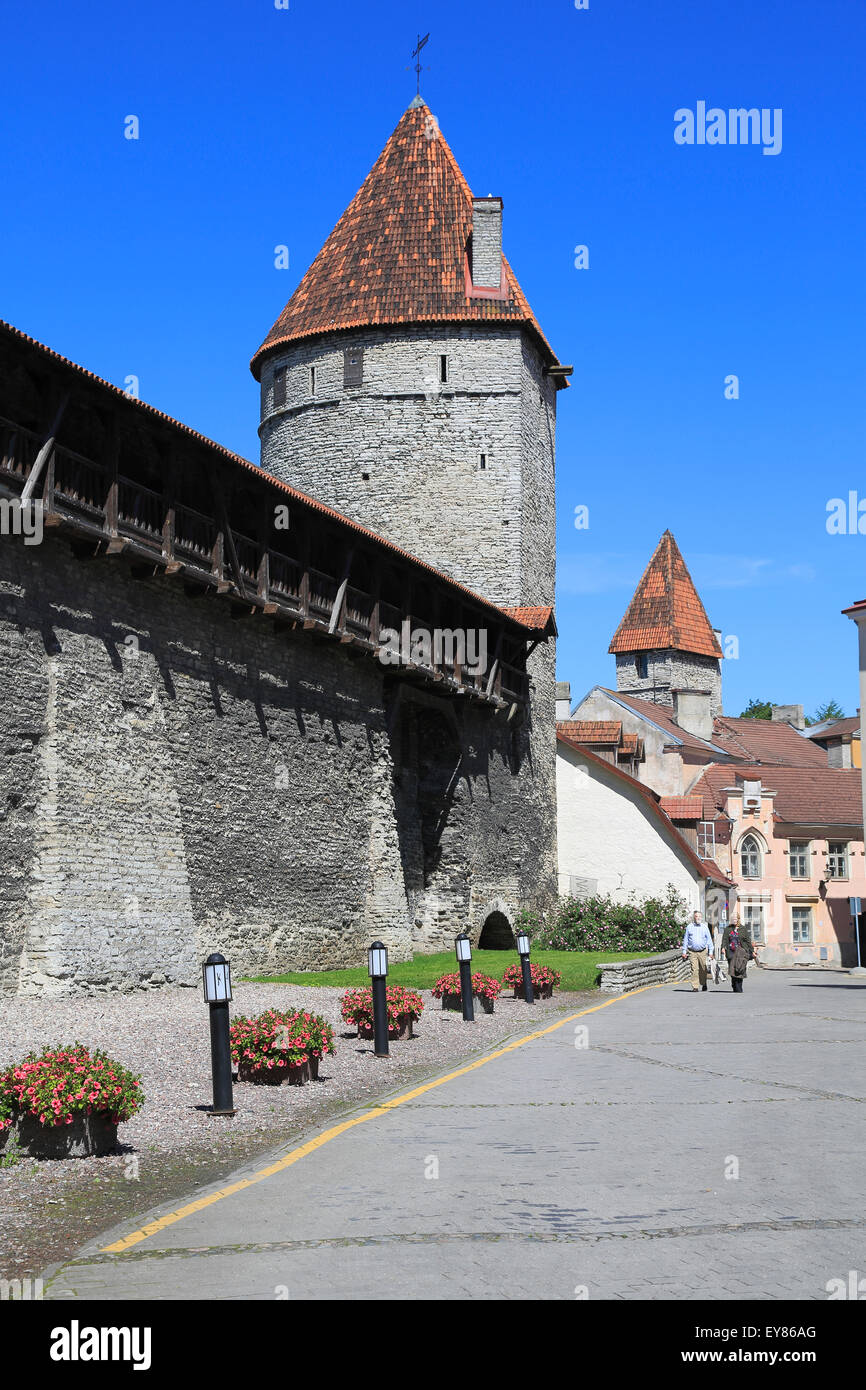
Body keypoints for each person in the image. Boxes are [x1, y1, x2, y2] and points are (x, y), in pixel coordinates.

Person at [681, 909, 714, 992]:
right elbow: (686, 940)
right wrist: (684, 952)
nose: (698, 918)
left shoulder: (704, 927)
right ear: (694, 917)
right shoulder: (689, 927)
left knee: (703, 968)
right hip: (692, 951)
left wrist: (710, 952)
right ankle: (695, 986)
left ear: (701, 917)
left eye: (699, 916)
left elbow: (709, 940)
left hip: (703, 951)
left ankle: (703, 983)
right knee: (694, 969)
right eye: (696, 916)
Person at [721, 916, 755, 992]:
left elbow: (748, 940)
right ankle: (734, 985)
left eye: (736, 919)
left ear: (738, 919)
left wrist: (752, 951)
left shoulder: (743, 929)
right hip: (731, 952)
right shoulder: (728, 929)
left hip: (741, 952)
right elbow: (724, 939)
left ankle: (739, 986)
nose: (734, 920)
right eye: (733, 919)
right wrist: (723, 947)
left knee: (740, 968)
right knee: (732, 969)